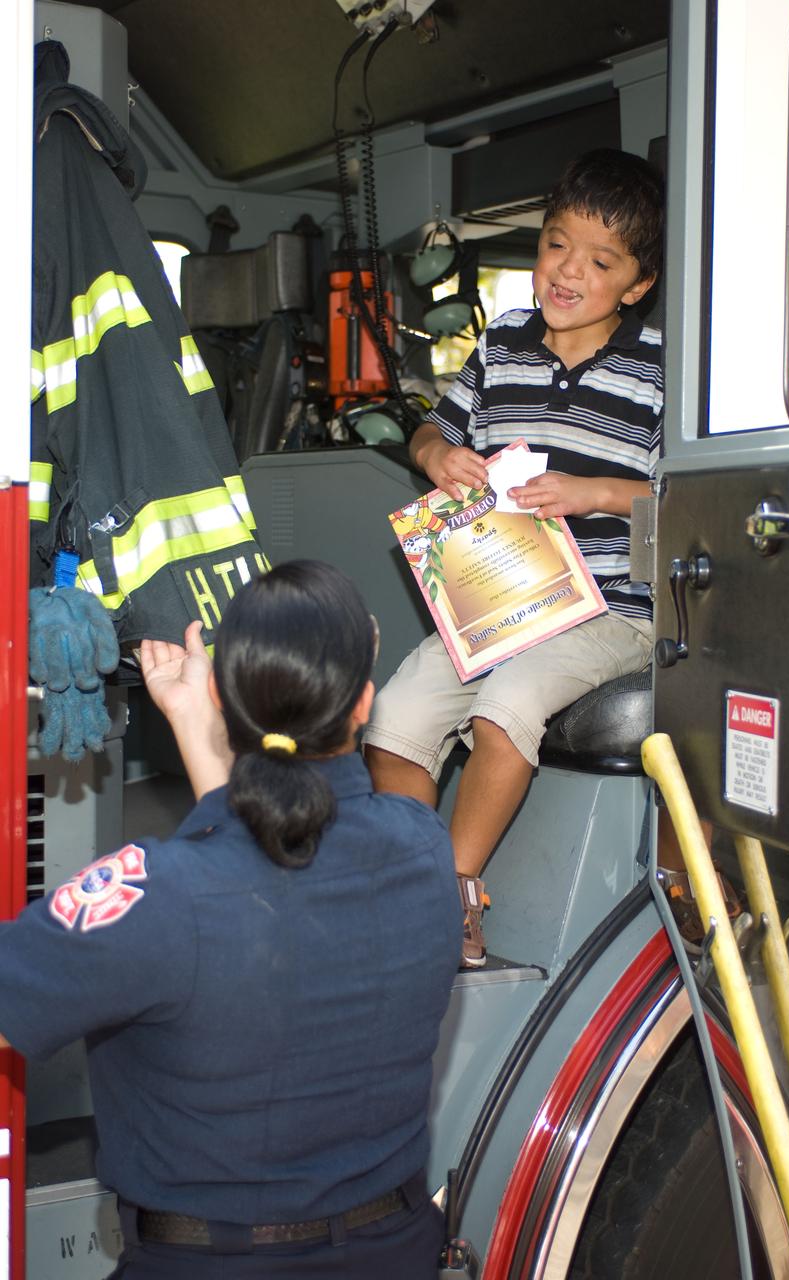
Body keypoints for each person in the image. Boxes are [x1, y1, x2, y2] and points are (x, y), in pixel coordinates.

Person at [0, 560, 461, 1278]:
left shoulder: (157, 900)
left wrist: (199, 720)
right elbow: (272, 873)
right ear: (364, 702)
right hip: (393, 1254)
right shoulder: (425, 846)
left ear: (224, 692)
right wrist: (194, 724)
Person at [364, 148, 664, 968]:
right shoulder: (500, 345)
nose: (568, 271)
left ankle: (454, 896)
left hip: (607, 611)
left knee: (509, 706)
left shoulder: (658, 373)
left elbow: (683, 505)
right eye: (556, 245)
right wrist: (433, 459)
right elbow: (434, 430)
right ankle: (419, 885)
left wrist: (594, 494)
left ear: (636, 286)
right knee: (394, 720)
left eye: (600, 261)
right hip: (499, 606)